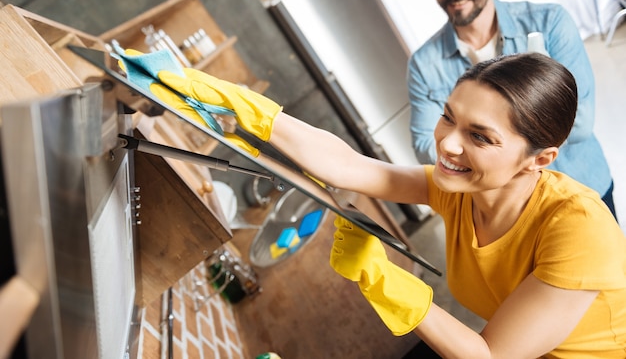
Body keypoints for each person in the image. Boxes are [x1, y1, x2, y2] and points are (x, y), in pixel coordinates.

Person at [147, 51, 626, 358]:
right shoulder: (460, 188)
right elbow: (348, 167)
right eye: (448, 118)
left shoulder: (579, 228)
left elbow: (490, 356)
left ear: (537, 160)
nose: (447, 146)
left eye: (479, 137)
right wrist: (241, 108)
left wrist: (383, 280)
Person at [407, 0, 618, 219]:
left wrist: (486, 155)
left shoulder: (549, 23)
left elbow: (578, 123)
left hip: (584, 192)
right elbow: (425, 145)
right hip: (508, 220)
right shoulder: (423, 65)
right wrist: (491, 147)